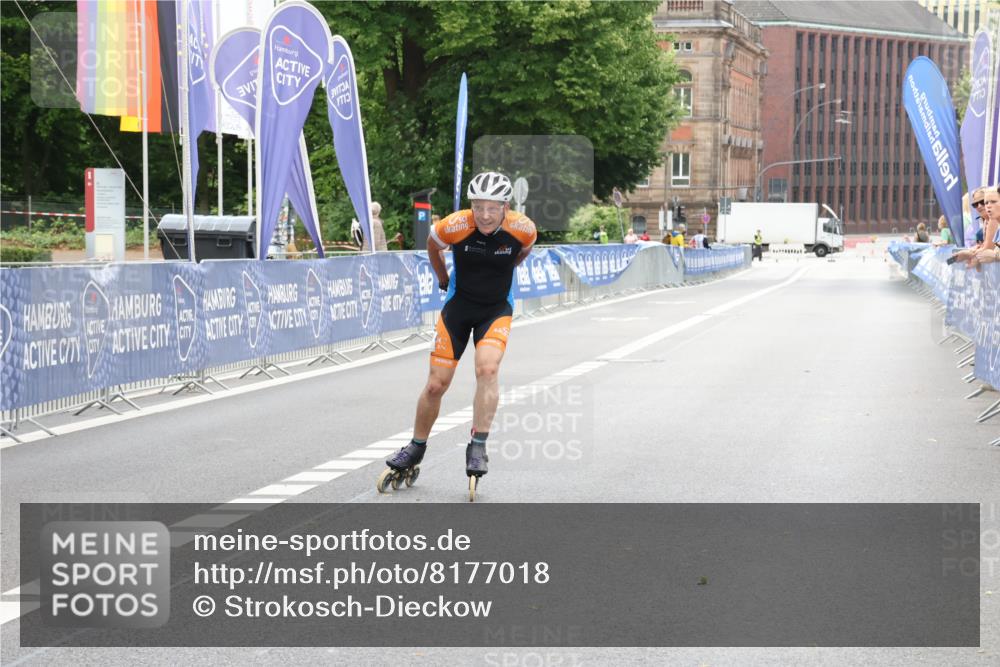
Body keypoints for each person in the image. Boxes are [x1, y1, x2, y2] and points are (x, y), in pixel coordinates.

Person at [379, 172, 537, 499]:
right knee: (437, 383)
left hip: (495, 309)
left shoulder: (523, 228)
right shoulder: (454, 225)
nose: (484, 214)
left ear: (505, 206)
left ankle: (478, 445)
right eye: (478, 206)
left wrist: (505, 271)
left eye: (492, 207)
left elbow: (524, 251)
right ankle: (417, 446)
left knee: (488, 369)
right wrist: (442, 277)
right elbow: (432, 246)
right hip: (458, 307)